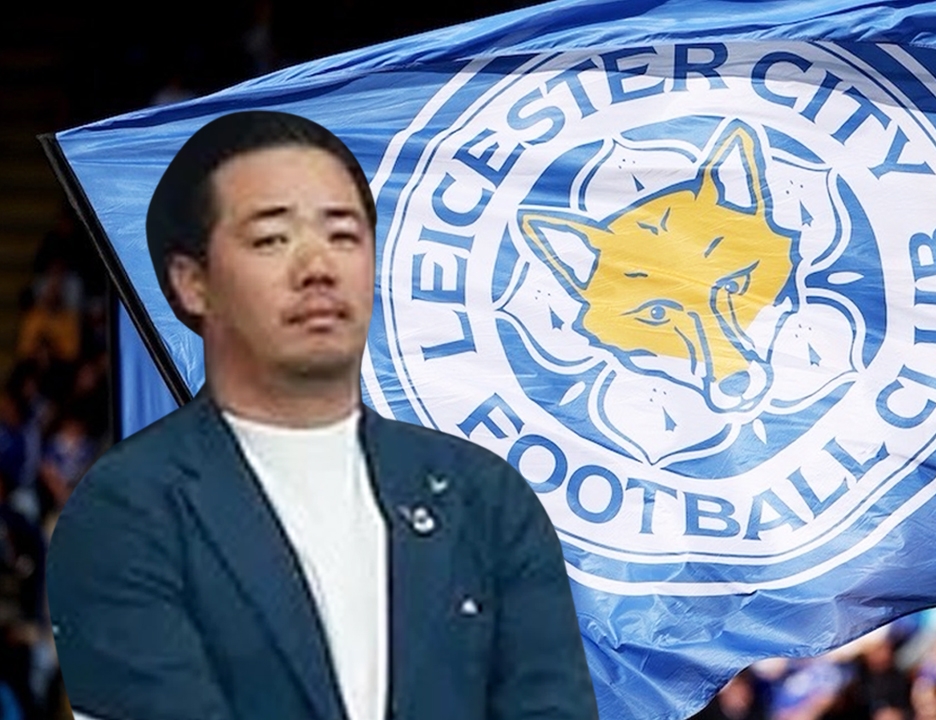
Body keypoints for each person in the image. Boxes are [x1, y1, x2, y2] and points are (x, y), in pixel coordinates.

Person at [45, 110, 600, 720]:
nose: (318, 268)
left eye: (343, 236)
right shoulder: (126, 511)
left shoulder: (486, 498)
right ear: (192, 282)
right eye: (271, 239)